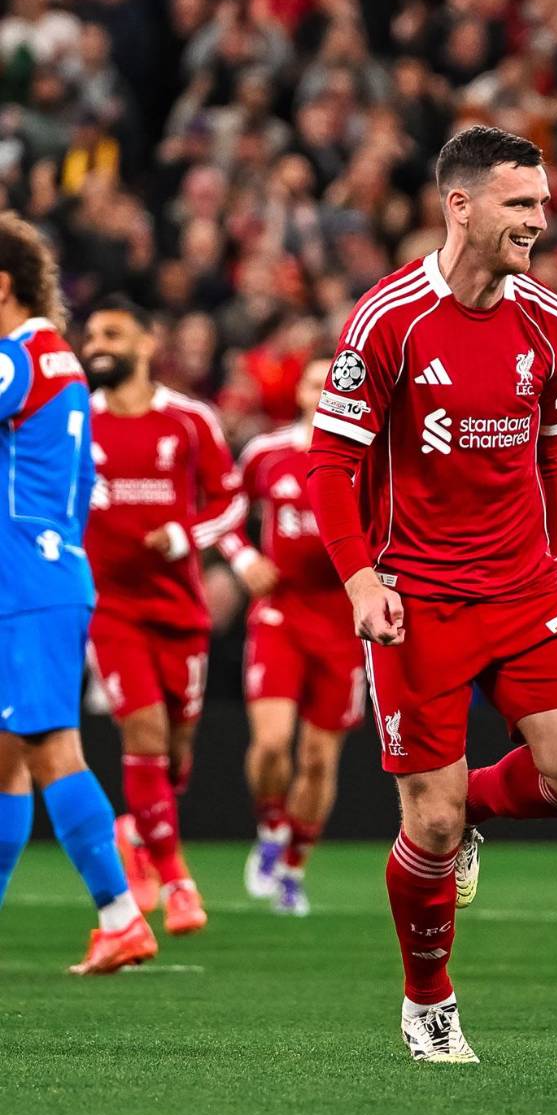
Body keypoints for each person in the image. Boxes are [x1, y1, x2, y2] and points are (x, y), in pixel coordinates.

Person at [308, 125, 557, 1062]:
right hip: (418, 602)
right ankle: (428, 1000)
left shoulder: (554, 326)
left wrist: (554, 569)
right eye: (520, 203)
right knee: (428, 822)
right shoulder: (388, 321)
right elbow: (330, 463)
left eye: (541, 201)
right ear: (461, 204)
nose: (539, 217)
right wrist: (361, 579)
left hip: (525, 592)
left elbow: (552, 455)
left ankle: (481, 808)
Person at [0, 214, 156, 974]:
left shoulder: (16, 357)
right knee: (5, 757)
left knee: (51, 747)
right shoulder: (57, 359)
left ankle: (121, 913)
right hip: (49, 572)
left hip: (26, 580)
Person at [81, 297, 247, 937]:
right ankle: (179, 886)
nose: (97, 344)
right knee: (144, 736)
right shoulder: (78, 422)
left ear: (147, 344)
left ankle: (138, 832)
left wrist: (186, 537)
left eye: (111, 333)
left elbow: (231, 503)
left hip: (179, 609)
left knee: (176, 754)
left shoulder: (190, 420)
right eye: (91, 334)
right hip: (111, 609)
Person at [219, 357, 366, 916]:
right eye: (314, 381)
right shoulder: (267, 453)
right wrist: (243, 557)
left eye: (334, 381)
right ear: (302, 395)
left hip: (342, 619)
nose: (324, 389)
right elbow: (222, 511)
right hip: (280, 612)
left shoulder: (369, 458)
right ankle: (271, 827)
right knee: (273, 744)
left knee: (320, 760)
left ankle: (293, 869)